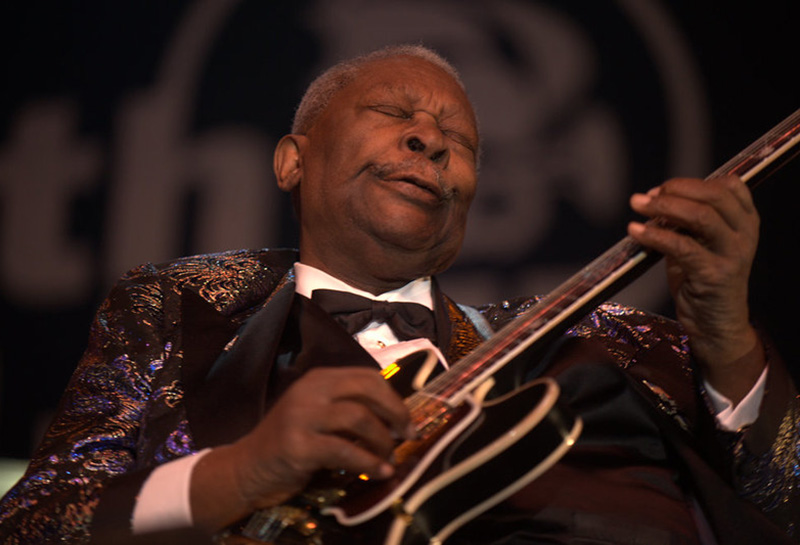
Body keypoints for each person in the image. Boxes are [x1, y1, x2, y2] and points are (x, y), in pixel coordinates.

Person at [0, 44, 797, 545]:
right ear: (290, 161)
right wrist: (243, 471)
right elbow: (38, 522)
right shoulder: (174, 307)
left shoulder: (601, 335)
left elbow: (779, 507)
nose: (433, 139)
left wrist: (727, 338)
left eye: (461, 141)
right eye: (395, 114)